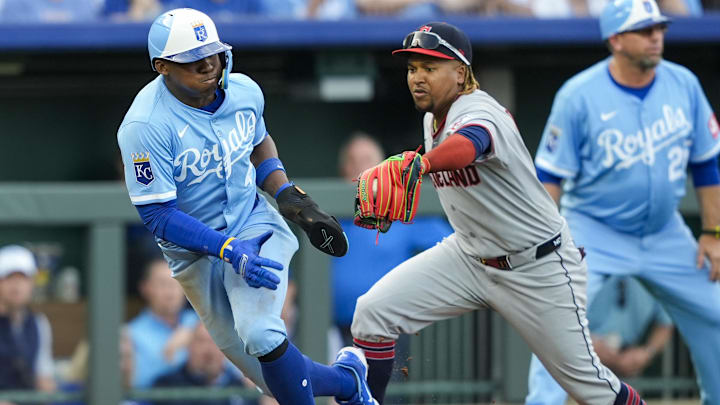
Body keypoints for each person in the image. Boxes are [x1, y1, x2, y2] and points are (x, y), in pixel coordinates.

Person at [349, 21, 648, 405]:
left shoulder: (479, 109)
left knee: (590, 388)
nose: (417, 78)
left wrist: (422, 165)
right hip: (469, 257)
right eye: (412, 69)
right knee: (372, 315)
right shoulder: (431, 119)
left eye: (429, 67)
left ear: (460, 73)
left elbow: (472, 143)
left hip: (536, 265)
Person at [116, 8, 375, 404]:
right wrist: (224, 249)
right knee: (273, 378)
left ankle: (347, 385)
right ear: (163, 66)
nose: (207, 64)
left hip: (252, 222)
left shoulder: (245, 91)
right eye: (192, 59)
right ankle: (348, 382)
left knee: (262, 335)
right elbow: (157, 215)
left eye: (213, 53)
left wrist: (285, 191)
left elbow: (258, 141)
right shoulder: (145, 125)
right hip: (194, 254)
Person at [530, 0, 720, 403]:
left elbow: (706, 163)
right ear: (615, 39)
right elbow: (549, 178)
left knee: (716, 313)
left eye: (659, 28)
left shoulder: (683, 84)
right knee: (555, 320)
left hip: (664, 231)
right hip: (592, 230)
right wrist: (544, 246)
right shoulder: (578, 95)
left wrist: (713, 231)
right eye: (645, 30)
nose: (656, 37)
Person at [333, 133, 453, 345]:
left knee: (384, 378)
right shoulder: (331, 211)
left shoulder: (400, 209)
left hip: (385, 327)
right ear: (343, 170)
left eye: (366, 160)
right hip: (333, 328)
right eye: (352, 161)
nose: (359, 167)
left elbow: (454, 244)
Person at [526, 276, 674, 405]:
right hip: (581, 357)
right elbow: (557, 317)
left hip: (629, 365)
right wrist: (586, 343)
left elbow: (666, 323)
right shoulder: (585, 260)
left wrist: (647, 352)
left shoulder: (650, 271)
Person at [126, 258, 199, 388]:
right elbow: (136, 385)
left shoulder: (201, 322)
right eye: (162, 284)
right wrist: (169, 354)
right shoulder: (131, 334)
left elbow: (233, 371)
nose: (170, 291)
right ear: (145, 288)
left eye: (177, 282)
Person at [153, 323, 258, 405]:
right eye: (201, 341)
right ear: (189, 346)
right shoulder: (168, 386)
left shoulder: (240, 387)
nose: (208, 350)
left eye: (215, 342)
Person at [0, 245, 56, 393]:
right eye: (9, 277)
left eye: (22, 278)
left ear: (31, 283)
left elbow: (44, 377)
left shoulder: (39, 323)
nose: (16, 285)